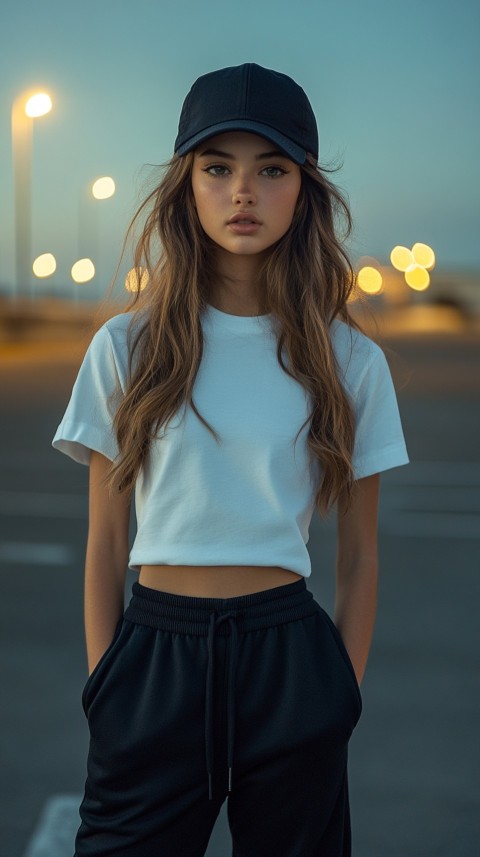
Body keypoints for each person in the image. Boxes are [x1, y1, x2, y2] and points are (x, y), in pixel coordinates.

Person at [53, 62, 409, 857]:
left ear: (303, 190)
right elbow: (107, 541)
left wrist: (338, 694)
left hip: (291, 662)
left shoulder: (350, 361)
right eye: (218, 168)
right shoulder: (127, 347)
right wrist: (106, 684)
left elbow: (361, 553)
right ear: (187, 186)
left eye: (271, 169)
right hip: (153, 657)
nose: (242, 191)